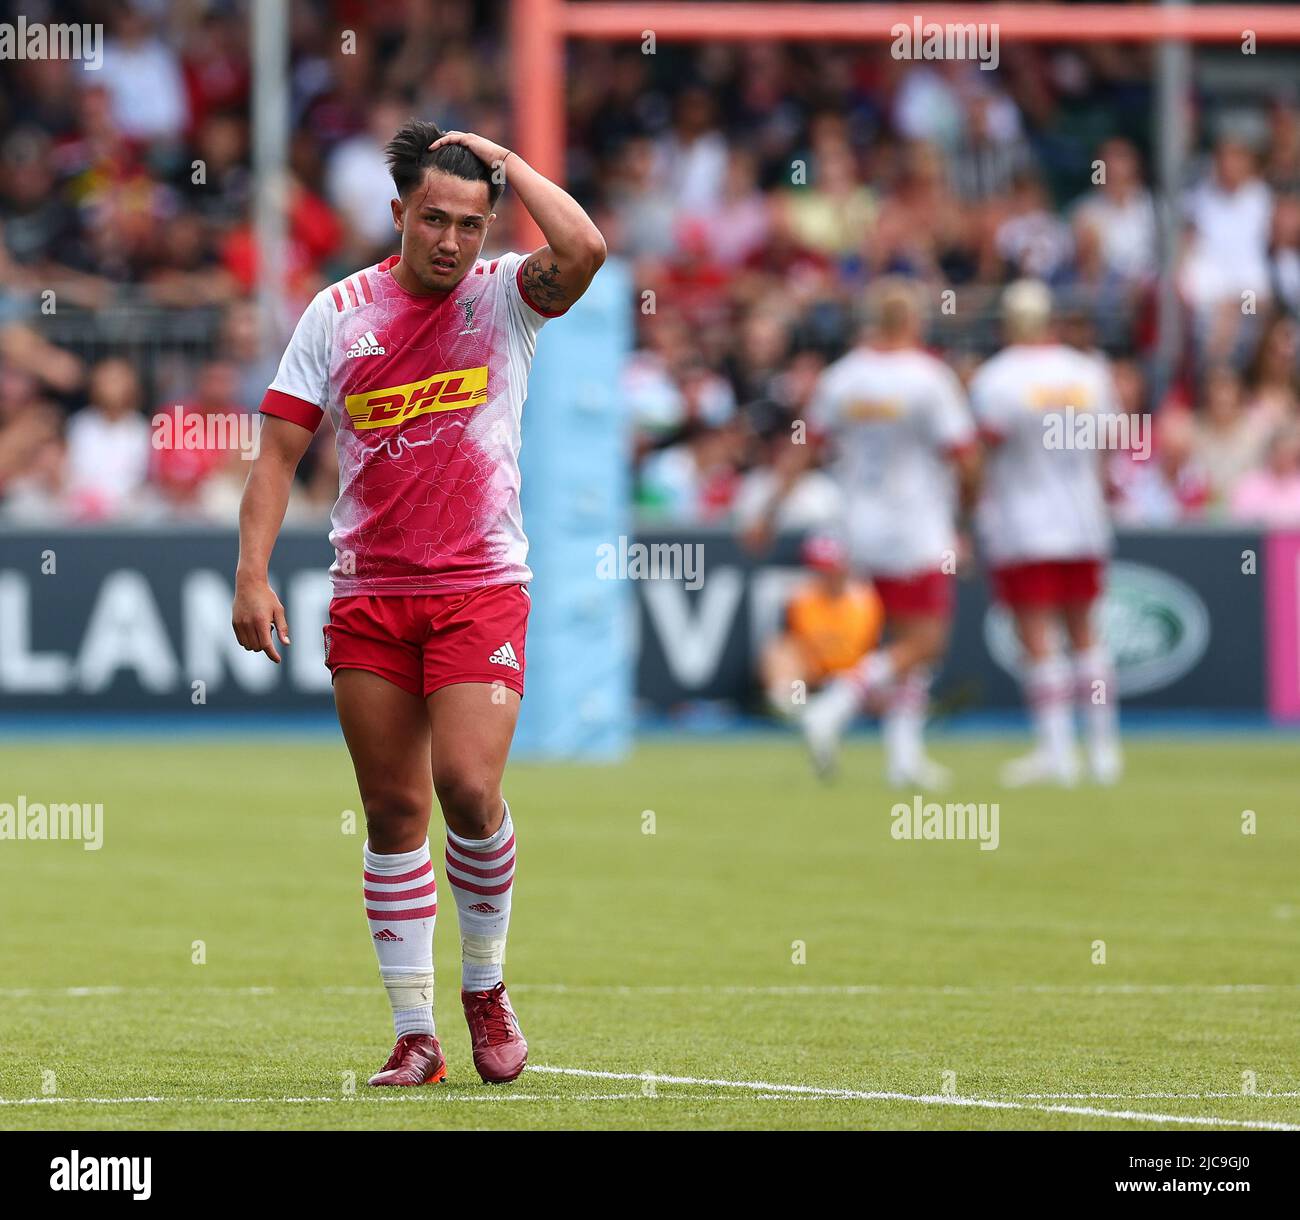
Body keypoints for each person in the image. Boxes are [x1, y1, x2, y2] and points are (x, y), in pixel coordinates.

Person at [231, 121, 605, 1087]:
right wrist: (253, 570)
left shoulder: (508, 300)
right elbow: (279, 453)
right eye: (433, 219)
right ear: (398, 214)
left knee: (469, 790)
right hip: (370, 593)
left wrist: (511, 164)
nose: (451, 241)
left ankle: (485, 987)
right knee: (393, 809)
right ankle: (416, 1035)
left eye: (471, 224)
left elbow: (587, 250)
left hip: (480, 585)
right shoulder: (337, 313)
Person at [796, 278, 979, 786]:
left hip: (857, 524)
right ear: (913, 320)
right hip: (916, 524)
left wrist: (768, 510)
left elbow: (807, 445)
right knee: (925, 643)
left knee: (900, 642)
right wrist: (967, 514)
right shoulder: (929, 378)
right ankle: (835, 706)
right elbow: (964, 456)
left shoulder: (842, 377)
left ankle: (904, 757)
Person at [969, 280, 1123, 786]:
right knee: (1086, 634)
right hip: (1083, 519)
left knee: (1037, 637)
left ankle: (1058, 752)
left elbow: (985, 448)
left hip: (1023, 521)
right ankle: (1103, 750)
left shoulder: (997, 378)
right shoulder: (1088, 371)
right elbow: (1109, 445)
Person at [760, 535, 883, 718]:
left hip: (855, 680)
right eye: (819, 569)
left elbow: (875, 648)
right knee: (780, 651)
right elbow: (792, 642)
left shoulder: (866, 600)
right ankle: (797, 710)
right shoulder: (801, 598)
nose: (825, 576)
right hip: (813, 679)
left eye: (829, 569)